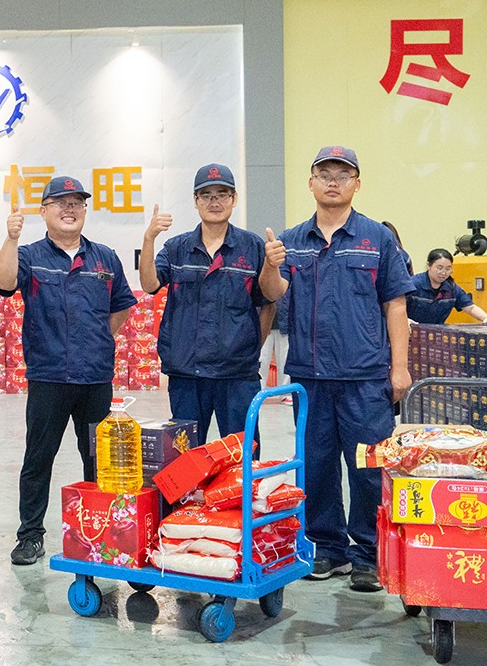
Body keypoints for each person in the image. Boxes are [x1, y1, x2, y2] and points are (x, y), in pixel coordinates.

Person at [261, 145, 413, 593]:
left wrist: (400, 369)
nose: (333, 181)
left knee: (368, 469)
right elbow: (273, 293)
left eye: (342, 174)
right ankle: (327, 547)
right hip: (310, 376)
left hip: (365, 376)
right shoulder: (292, 240)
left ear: (356, 184)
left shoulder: (377, 238)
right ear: (310, 183)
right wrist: (271, 265)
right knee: (317, 465)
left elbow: (396, 304)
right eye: (324, 173)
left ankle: (368, 553)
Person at [0, 175, 135, 566]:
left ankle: (102, 533)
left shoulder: (105, 258)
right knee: (38, 459)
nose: (69, 209)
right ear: (44, 212)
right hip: (49, 377)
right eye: (60, 203)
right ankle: (30, 536)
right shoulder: (30, 255)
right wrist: (11, 238)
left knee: (98, 460)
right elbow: (4, 283)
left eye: (77, 203)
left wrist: (95, 340)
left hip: (95, 378)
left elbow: (120, 307)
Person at [138, 164, 270, 444]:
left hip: (237, 375)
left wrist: (250, 348)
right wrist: (149, 239)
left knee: (240, 454)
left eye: (222, 194)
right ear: (196, 201)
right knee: (186, 456)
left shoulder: (252, 247)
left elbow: (267, 303)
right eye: (206, 195)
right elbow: (150, 284)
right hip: (187, 372)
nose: (214, 202)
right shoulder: (177, 248)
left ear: (234, 199)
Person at [406, 248, 487, 325]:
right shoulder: (413, 284)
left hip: (435, 332)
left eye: (448, 269)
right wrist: (405, 320)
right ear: (428, 266)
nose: (444, 273)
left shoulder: (452, 288)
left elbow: (470, 308)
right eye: (439, 268)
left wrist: (485, 318)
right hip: (409, 331)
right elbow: (398, 306)